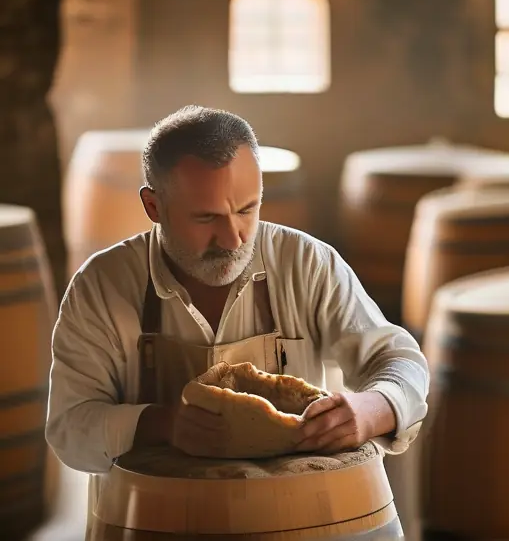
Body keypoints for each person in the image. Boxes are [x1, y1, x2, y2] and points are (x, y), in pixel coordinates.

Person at [45, 105, 430, 473]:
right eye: (206, 217)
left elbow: (398, 360)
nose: (233, 239)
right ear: (153, 206)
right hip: (149, 513)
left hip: (295, 510)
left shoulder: (307, 263)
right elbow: (68, 427)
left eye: (247, 210)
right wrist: (161, 423)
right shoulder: (100, 285)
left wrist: (370, 410)